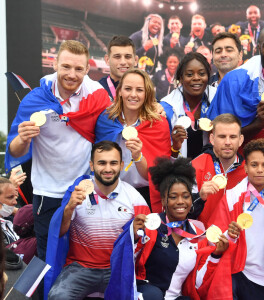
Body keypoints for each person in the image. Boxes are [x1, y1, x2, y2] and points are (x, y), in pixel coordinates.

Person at [5, 40, 111, 262]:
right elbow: (15, 151)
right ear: (54, 64)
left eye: (78, 69)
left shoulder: (97, 95)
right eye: (66, 67)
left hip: (83, 190)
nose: (72, 74)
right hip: (47, 192)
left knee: (84, 256)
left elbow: (111, 133)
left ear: (87, 70)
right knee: (48, 258)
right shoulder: (35, 100)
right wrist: (24, 139)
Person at [105, 157, 233, 300]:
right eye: (173, 197)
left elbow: (198, 283)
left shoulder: (197, 236)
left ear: (191, 200)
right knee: (153, 295)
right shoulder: (149, 224)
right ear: (163, 200)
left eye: (186, 196)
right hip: (144, 295)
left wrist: (215, 255)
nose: (180, 202)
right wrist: (133, 237)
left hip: (175, 297)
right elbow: (124, 264)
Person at [207, 24, 264, 215]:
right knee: (248, 236)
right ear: (258, 47)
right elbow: (218, 136)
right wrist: (257, 125)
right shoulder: (235, 80)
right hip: (245, 175)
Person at [46, 141, 150, 300]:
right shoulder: (78, 192)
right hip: (79, 268)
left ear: (121, 165)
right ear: (92, 165)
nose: (108, 169)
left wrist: (136, 235)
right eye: (102, 163)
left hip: (117, 269)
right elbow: (58, 234)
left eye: (113, 163)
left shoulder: (134, 198)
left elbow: (144, 242)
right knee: (58, 297)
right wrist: (69, 208)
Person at [208, 139, 264, 300]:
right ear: (246, 168)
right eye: (254, 165)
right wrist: (229, 234)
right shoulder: (231, 197)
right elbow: (213, 239)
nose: (259, 170)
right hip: (234, 271)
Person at [95, 69, 171, 212]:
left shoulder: (158, 124)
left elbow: (156, 175)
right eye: (128, 89)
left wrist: (138, 156)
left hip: (145, 194)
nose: (133, 95)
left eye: (139, 90)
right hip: (110, 192)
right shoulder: (106, 120)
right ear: (119, 92)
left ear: (146, 93)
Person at [192, 114, 246, 227]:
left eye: (233, 137)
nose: (227, 142)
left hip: (237, 237)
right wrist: (199, 197)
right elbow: (182, 213)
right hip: (204, 238)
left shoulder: (248, 170)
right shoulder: (195, 166)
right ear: (212, 139)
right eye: (222, 136)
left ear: (240, 140)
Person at [161, 52, 217, 159]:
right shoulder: (167, 106)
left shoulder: (218, 98)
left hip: (211, 169)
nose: (196, 78)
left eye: (201, 73)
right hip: (179, 170)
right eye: (189, 74)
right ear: (181, 78)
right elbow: (162, 156)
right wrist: (175, 147)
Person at [99, 35, 138, 101]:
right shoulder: (97, 89)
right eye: (117, 57)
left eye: (127, 57)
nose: (123, 62)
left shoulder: (145, 91)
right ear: (107, 60)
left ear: (136, 60)